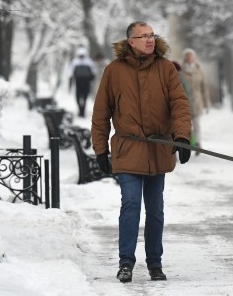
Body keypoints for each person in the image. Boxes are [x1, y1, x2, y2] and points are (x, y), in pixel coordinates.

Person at [91, 21, 192, 283]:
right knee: (131, 205)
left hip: (159, 150)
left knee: (156, 210)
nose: (149, 40)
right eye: (143, 36)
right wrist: (100, 150)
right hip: (128, 149)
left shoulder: (165, 68)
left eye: (151, 35)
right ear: (131, 42)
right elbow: (101, 112)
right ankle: (126, 262)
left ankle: (155, 264)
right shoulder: (114, 71)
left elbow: (179, 103)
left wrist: (182, 137)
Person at [180, 48, 210, 155]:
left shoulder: (199, 70)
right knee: (186, 126)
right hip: (184, 103)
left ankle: (198, 144)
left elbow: (204, 88)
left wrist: (206, 104)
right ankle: (187, 145)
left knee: (197, 124)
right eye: (187, 56)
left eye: (191, 55)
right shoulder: (180, 70)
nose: (189, 58)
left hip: (197, 102)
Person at [69, 47, 97, 117]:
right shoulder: (76, 62)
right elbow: (71, 73)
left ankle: (82, 111)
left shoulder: (88, 62)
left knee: (83, 97)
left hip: (84, 82)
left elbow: (93, 73)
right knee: (80, 97)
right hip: (80, 82)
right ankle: (81, 110)